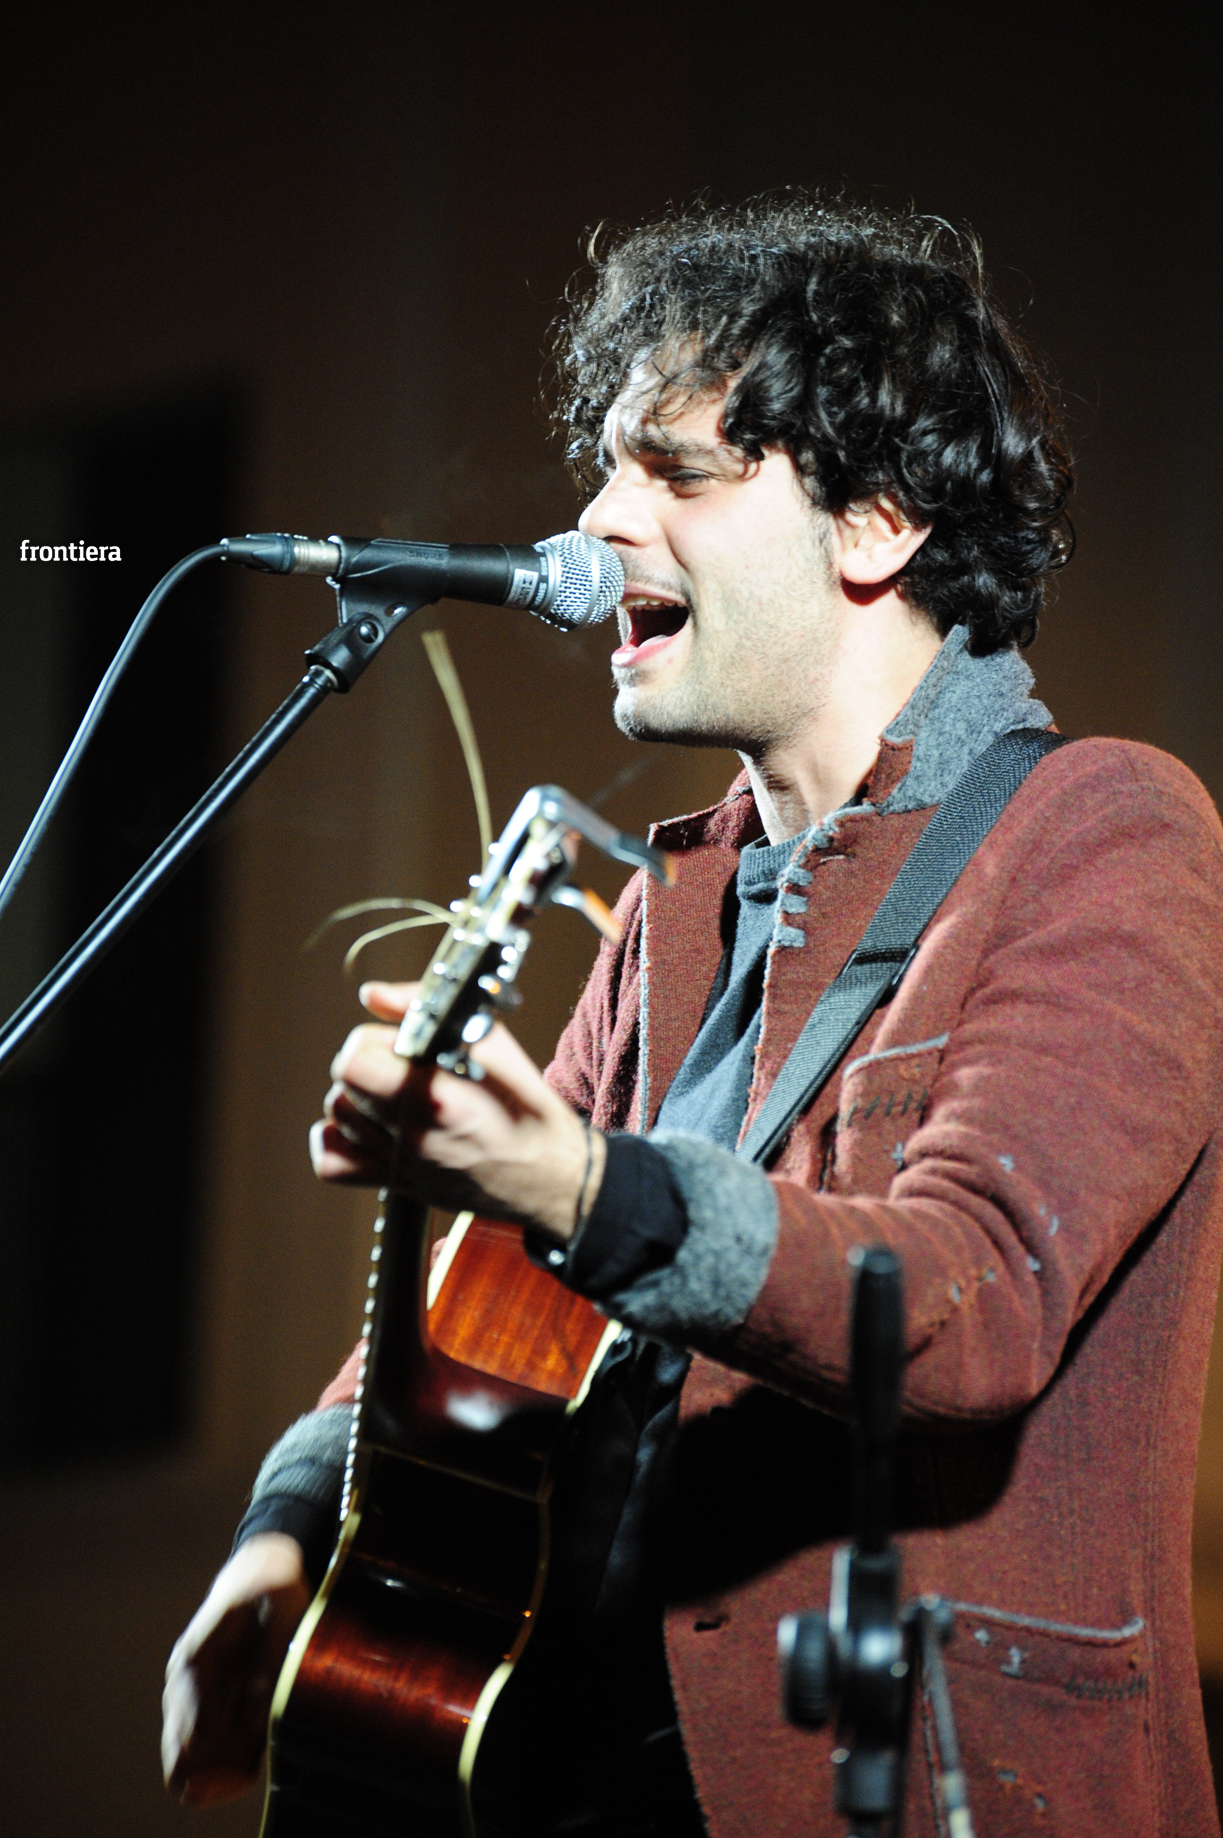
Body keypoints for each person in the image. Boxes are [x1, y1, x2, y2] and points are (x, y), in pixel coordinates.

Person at [163, 198, 1223, 1837]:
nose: (599, 520)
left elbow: (973, 1294)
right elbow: (464, 1325)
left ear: (876, 522)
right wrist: (280, 1538)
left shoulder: (1102, 831)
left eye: (674, 471)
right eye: (606, 469)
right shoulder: (671, 913)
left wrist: (578, 1185)